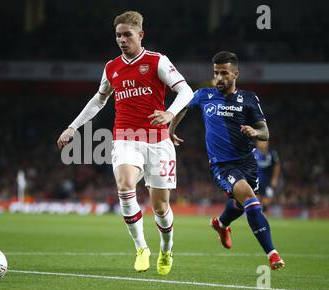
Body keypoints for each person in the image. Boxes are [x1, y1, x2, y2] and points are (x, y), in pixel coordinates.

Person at [57, 11, 193, 275]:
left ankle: (166, 249)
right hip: (125, 138)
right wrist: (73, 127)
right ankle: (141, 247)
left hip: (158, 141)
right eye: (118, 35)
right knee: (125, 185)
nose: (121, 39)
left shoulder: (157, 62)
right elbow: (99, 100)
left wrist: (169, 113)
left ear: (140, 35)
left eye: (127, 34)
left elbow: (186, 90)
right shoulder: (111, 68)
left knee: (161, 206)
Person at [169, 51, 285, 270]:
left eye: (224, 73)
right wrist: (171, 129)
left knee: (241, 205)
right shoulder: (204, 95)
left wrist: (254, 132)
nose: (219, 78)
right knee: (250, 199)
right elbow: (183, 105)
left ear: (235, 74)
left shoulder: (249, 98)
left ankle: (221, 224)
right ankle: (272, 253)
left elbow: (265, 133)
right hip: (222, 165)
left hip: (248, 163)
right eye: (216, 73)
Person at [254, 140, 281, 213]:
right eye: (261, 142)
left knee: (266, 202)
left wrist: (275, 179)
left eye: (265, 142)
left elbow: (277, 165)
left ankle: (263, 213)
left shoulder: (272, 153)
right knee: (256, 201)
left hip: (267, 182)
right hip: (255, 181)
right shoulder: (253, 153)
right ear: (257, 143)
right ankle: (258, 216)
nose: (263, 144)